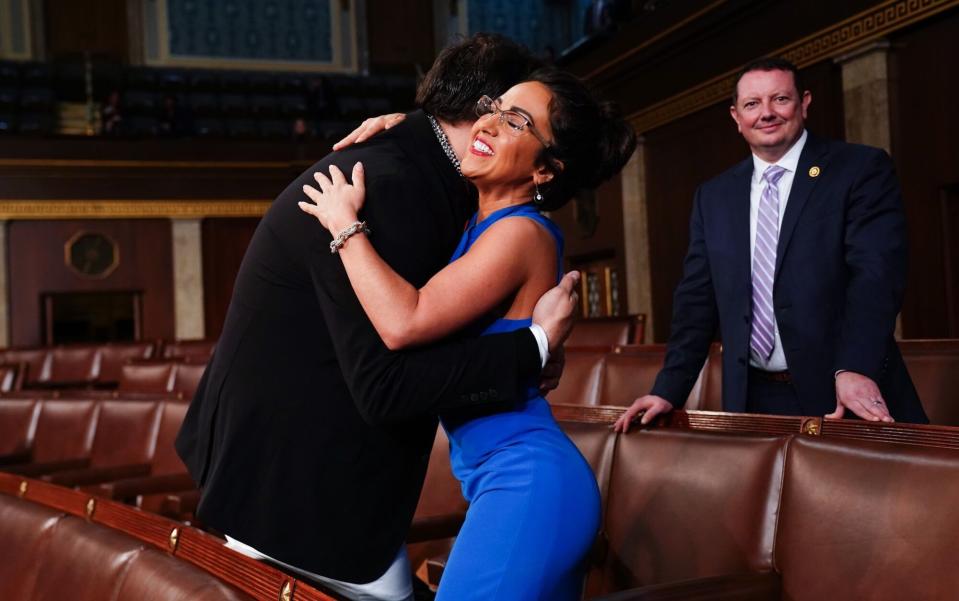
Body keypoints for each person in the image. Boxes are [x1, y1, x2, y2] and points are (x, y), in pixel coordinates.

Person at [175, 34, 577, 601]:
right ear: (485, 110)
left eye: (519, 120)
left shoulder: (408, 166)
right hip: (304, 493)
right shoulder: (390, 188)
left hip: (300, 478)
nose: (500, 126)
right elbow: (387, 384)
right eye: (505, 112)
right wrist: (531, 349)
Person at [299, 67, 637, 600]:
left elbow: (403, 322)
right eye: (495, 107)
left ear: (547, 170)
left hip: (528, 483)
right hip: (499, 480)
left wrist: (344, 226)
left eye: (518, 121)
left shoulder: (519, 233)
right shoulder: (477, 223)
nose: (492, 124)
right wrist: (403, 127)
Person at [614, 57, 927, 432]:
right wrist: (668, 389)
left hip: (842, 392)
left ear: (804, 102)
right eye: (752, 104)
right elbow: (696, 300)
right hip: (752, 400)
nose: (766, 113)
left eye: (780, 99)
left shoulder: (859, 169)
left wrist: (855, 367)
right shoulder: (713, 197)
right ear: (736, 117)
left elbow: (876, 278)